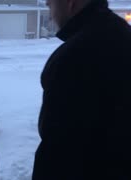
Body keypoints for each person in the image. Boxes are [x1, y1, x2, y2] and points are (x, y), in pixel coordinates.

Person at [33, 0, 131, 179]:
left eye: (52, 1)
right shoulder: (122, 33)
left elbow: (57, 155)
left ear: (71, 3)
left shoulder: (73, 59)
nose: (47, 2)